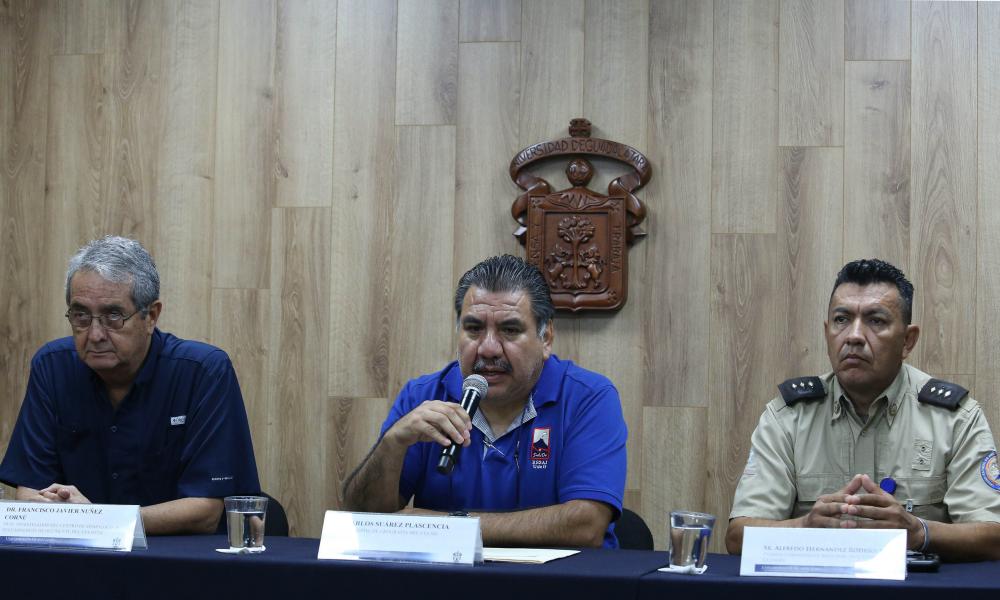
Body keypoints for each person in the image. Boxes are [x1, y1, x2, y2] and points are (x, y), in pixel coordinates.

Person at [342, 254, 627, 548]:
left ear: (546, 338)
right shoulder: (423, 397)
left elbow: (586, 525)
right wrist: (392, 445)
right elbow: (367, 521)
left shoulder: (588, 397)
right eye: (474, 329)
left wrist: (448, 525)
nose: (488, 349)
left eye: (510, 330)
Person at [726, 258, 1000, 561]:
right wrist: (804, 528)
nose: (854, 336)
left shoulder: (955, 418)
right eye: (842, 320)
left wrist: (919, 532)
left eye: (876, 321)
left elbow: (993, 536)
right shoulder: (788, 417)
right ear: (827, 332)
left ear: (908, 341)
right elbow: (738, 537)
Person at [0, 236, 260, 534]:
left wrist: (96, 520)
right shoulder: (52, 367)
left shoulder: (203, 371)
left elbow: (204, 511)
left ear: (151, 316)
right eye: (81, 315)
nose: (95, 334)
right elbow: (30, 494)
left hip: (178, 564)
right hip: (78, 564)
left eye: (113, 315)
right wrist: (59, 511)